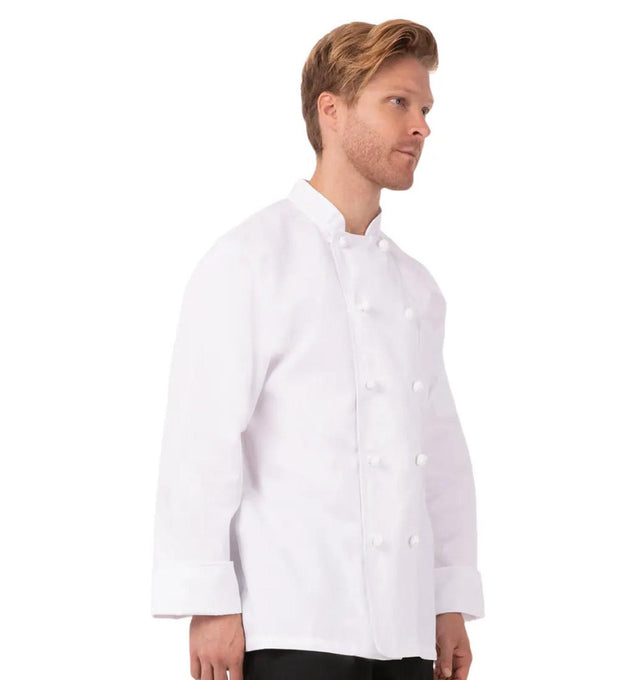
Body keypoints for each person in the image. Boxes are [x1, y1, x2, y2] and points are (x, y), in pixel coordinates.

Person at [151, 18, 485, 680]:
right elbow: (202, 439)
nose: (420, 126)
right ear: (330, 111)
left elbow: (439, 456)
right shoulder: (250, 261)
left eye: (425, 110)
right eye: (398, 103)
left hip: (405, 629)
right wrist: (209, 601)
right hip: (292, 621)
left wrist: (448, 599)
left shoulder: (416, 287)